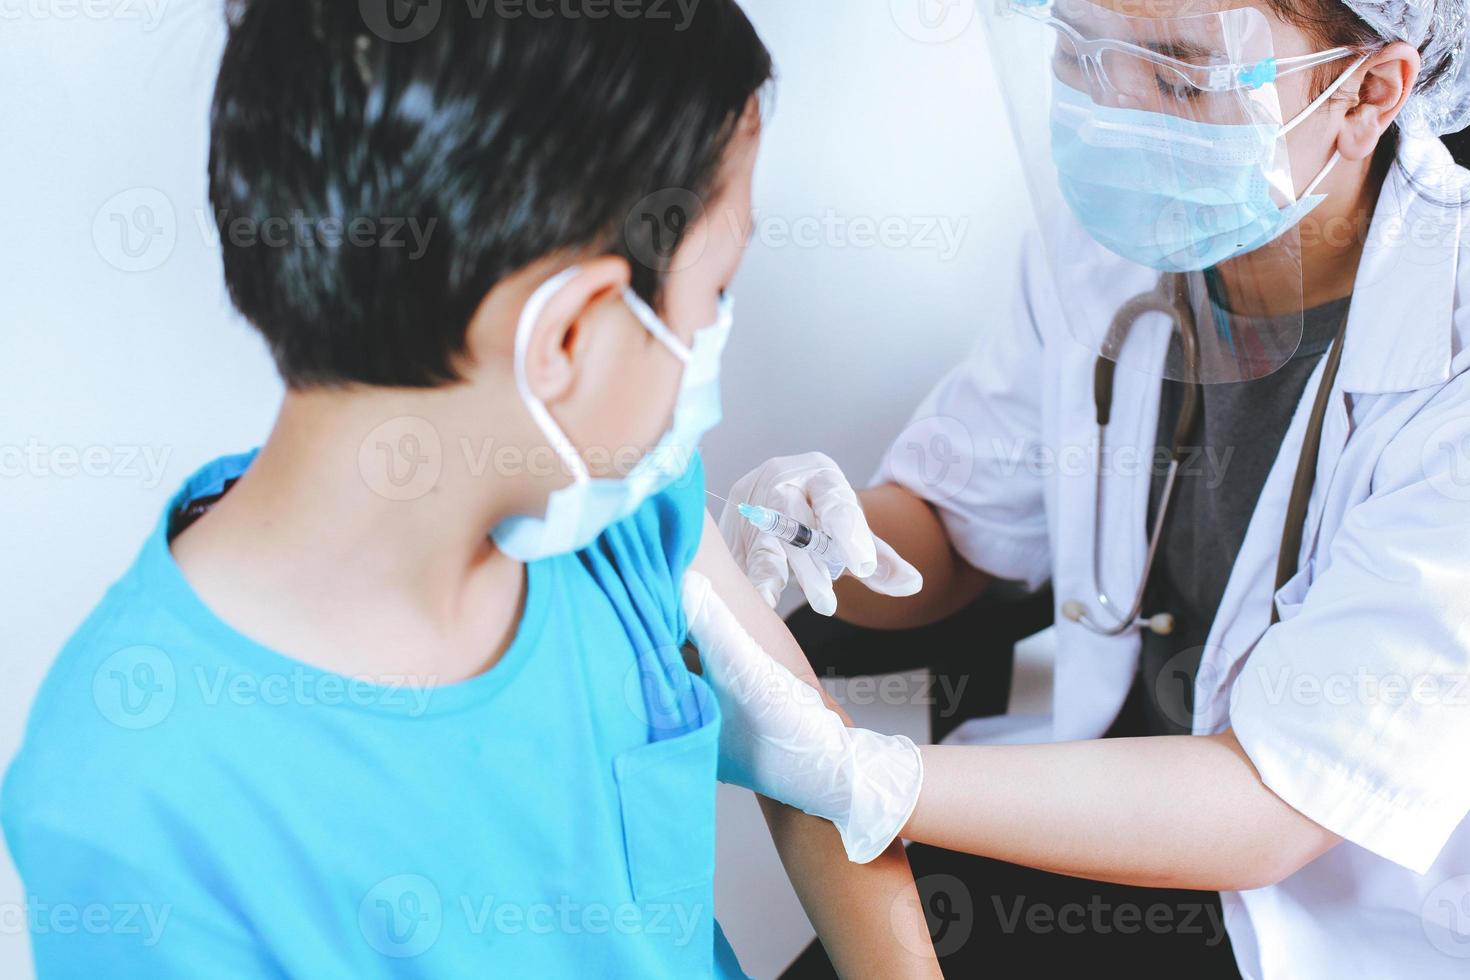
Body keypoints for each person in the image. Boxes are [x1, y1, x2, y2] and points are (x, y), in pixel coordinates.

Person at [0, 3, 942, 977]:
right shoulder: (135, 799)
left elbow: (826, 786)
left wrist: (839, 772)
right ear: (568, 337)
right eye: (714, 293)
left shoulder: (622, 510)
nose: (712, 335)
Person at [701, 0, 1470, 976]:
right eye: (1085, 51)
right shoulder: (1109, 253)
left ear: (1368, 91)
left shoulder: (1452, 356)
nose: (1121, 112)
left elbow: (1274, 806)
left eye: (1184, 75)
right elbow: (955, 526)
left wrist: (863, 775)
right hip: (1102, 808)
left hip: (1312, 905)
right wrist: (816, 538)